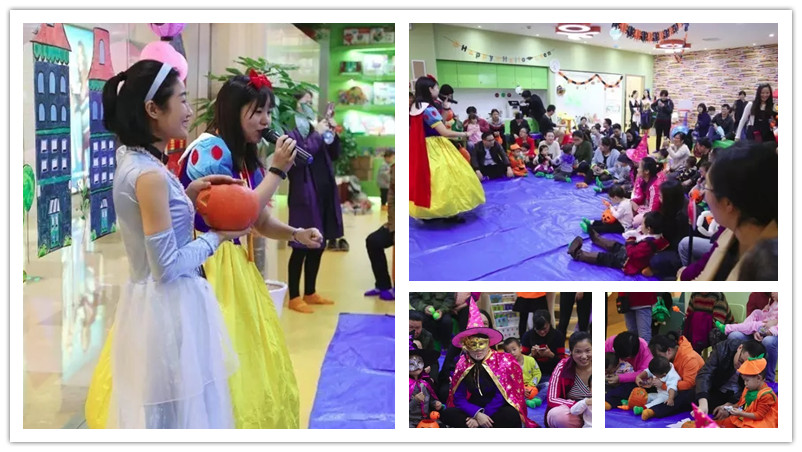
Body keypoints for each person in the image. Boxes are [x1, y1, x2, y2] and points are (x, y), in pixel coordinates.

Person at [85, 60, 251, 428]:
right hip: (168, 307)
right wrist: (218, 236)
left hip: (155, 305)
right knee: (175, 416)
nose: (190, 111)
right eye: (182, 100)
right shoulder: (149, 175)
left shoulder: (136, 161)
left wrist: (188, 195)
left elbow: (154, 226)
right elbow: (167, 266)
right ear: (153, 109)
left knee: (167, 413)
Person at [284, 89, 343, 311]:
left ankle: (310, 292)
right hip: (305, 194)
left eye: (311, 102)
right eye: (305, 102)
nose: (309, 106)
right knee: (300, 245)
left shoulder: (313, 127)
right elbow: (302, 155)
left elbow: (334, 153)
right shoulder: (290, 130)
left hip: (323, 192)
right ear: (295, 105)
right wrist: (318, 133)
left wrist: (332, 132)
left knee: (318, 243)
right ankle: (294, 297)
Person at [685, 141, 778, 280]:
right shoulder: (730, 230)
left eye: (707, 187)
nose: (703, 194)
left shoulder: (770, 268)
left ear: (728, 203)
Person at [442, 298, 538, 428]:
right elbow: (459, 397)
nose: (478, 349)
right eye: (472, 345)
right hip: (473, 408)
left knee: (511, 415)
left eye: (481, 344)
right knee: (447, 414)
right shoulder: (463, 363)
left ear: (488, 344)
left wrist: (484, 415)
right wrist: (477, 414)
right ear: (466, 347)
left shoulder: (502, 361)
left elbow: (502, 395)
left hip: (495, 408)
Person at [410, 75, 485, 223]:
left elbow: (439, 123)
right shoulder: (429, 109)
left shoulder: (415, 107)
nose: (438, 90)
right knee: (447, 178)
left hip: (421, 147)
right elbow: (444, 131)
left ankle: (428, 212)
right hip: (435, 147)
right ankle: (450, 212)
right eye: (436, 87)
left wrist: (445, 108)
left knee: (428, 180)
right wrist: (465, 134)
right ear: (430, 89)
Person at [568, 212, 669, 278]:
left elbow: (631, 252)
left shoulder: (648, 244)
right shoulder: (658, 237)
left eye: (642, 224)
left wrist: (630, 240)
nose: (640, 225)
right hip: (631, 253)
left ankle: (577, 254)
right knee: (614, 244)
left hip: (627, 261)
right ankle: (596, 238)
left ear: (649, 229)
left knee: (604, 257)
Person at [695, 338, 766, 419]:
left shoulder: (760, 363)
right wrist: (703, 402)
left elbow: (752, 392)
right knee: (690, 398)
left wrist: (730, 406)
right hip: (715, 389)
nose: (741, 367)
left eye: (746, 366)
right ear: (740, 348)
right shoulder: (724, 348)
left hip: (738, 399)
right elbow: (706, 373)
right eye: (740, 361)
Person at [716, 291, 778, 382]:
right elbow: (764, 316)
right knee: (735, 335)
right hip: (761, 327)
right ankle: (736, 373)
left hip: (771, 331)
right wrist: (755, 331)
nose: (773, 293)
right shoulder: (758, 296)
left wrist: (768, 330)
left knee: (767, 340)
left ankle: (769, 379)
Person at [645, 332, 704, 420]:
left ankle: (653, 410)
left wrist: (663, 385)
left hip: (693, 389)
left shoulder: (689, 358)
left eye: (659, 356)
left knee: (684, 396)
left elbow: (689, 384)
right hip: (673, 385)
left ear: (669, 351)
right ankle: (642, 401)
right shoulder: (671, 357)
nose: (658, 359)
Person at [546, 331, 592, 428]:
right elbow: (552, 398)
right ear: (570, 352)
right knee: (557, 416)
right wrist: (580, 405)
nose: (584, 356)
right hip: (574, 413)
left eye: (588, 351)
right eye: (578, 352)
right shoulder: (563, 366)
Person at [715, 357, 778, 428]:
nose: (745, 383)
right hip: (744, 417)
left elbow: (759, 416)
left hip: (759, 423)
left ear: (759, 378)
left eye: (747, 380)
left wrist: (740, 413)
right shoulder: (748, 388)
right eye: (744, 380)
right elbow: (740, 404)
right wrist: (727, 407)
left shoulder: (766, 395)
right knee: (719, 423)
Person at [364, 160, 394, 301]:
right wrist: (392, 225)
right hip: (394, 223)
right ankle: (383, 285)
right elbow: (393, 201)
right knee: (373, 241)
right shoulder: (395, 168)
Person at [648, 179, 689, 278]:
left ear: (669, 199)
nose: (659, 198)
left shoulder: (681, 217)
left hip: (681, 253)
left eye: (661, 196)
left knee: (654, 260)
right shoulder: (677, 205)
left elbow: (675, 243)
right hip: (673, 243)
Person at [604, 331, 653, 410]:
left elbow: (644, 372)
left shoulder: (645, 350)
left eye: (624, 358)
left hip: (630, 381)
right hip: (608, 378)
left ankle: (608, 400)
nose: (621, 359)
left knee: (630, 388)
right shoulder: (610, 342)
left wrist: (620, 378)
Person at [521, 309, 566, 379]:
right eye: (538, 329)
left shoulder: (558, 335)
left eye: (544, 328)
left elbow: (563, 362)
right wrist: (531, 356)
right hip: (533, 373)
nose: (542, 332)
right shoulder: (527, 336)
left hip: (553, 371)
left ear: (549, 323)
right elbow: (521, 362)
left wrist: (551, 355)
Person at [409, 336, 442, 427]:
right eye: (411, 363)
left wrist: (435, 403)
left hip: (425, 420)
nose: (416, 366)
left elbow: (429, 400)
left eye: (419, 362)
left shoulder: (425, 382)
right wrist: (415, 400)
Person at [636, 356, 680, 420]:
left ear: (664, 375)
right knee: (648, 396)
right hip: (659, 393)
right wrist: (639, 377)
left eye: (655, 375)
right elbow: (648, 372)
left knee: (657, 402)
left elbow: (672, 388)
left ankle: (644, 408)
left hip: (666, 396)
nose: (654, 376)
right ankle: (637, 402)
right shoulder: (660, 368)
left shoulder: (672, 376)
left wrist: (670, 398)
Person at [503, 337, 542, 404]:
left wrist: (531, 385)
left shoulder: (531, 360)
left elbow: (537, 373)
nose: (512, 353)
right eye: (509, 352)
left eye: (514, 349)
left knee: (546, 385)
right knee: (508, 391)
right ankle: (526, 401)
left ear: (520, 348)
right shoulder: (508, 365)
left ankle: (538, 398)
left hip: (532, 386)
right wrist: (521, 389)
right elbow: (510, 381)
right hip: (519, 390)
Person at [630, 157, 665, 229]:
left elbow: (653, 211)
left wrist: (637, 209)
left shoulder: (654, 187)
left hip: (656, 215)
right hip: (646, 206)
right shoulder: (643, 180)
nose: (637, 169)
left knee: (636, 221)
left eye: (639, 167)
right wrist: (633, 202)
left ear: (646, 171)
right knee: (628, 206)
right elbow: (638, 196)